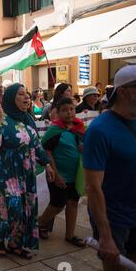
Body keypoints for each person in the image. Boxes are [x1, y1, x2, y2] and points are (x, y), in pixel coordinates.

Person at [84, 65, 136, 271]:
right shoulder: (99, 130)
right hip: (114, 217)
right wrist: (105, 236)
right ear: (125, 91)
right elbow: (93, 187)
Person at [0, 83, 55, 259]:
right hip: (5, 172)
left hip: (26, 172)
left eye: (27, 94)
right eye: (21, 94)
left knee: (25, 208)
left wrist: (46, 164)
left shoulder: (28, 119)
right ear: (10, 98)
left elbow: (37, 145)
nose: (26, 97)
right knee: (9, 208)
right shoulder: (1, 118)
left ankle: (15, 243)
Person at [38, 97, 86, 247]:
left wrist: (82, 148)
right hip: (57, 174)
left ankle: (70, 235)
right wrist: (56, 174)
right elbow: (46, 151)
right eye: (64, 110)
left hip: (75, 175)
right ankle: (39, 224)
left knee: (73, 203)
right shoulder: (54, 130)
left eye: (71, 109)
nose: (69, 113)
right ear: (57, 113)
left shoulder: (79, 128)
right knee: (58, 204)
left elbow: (83, 146)